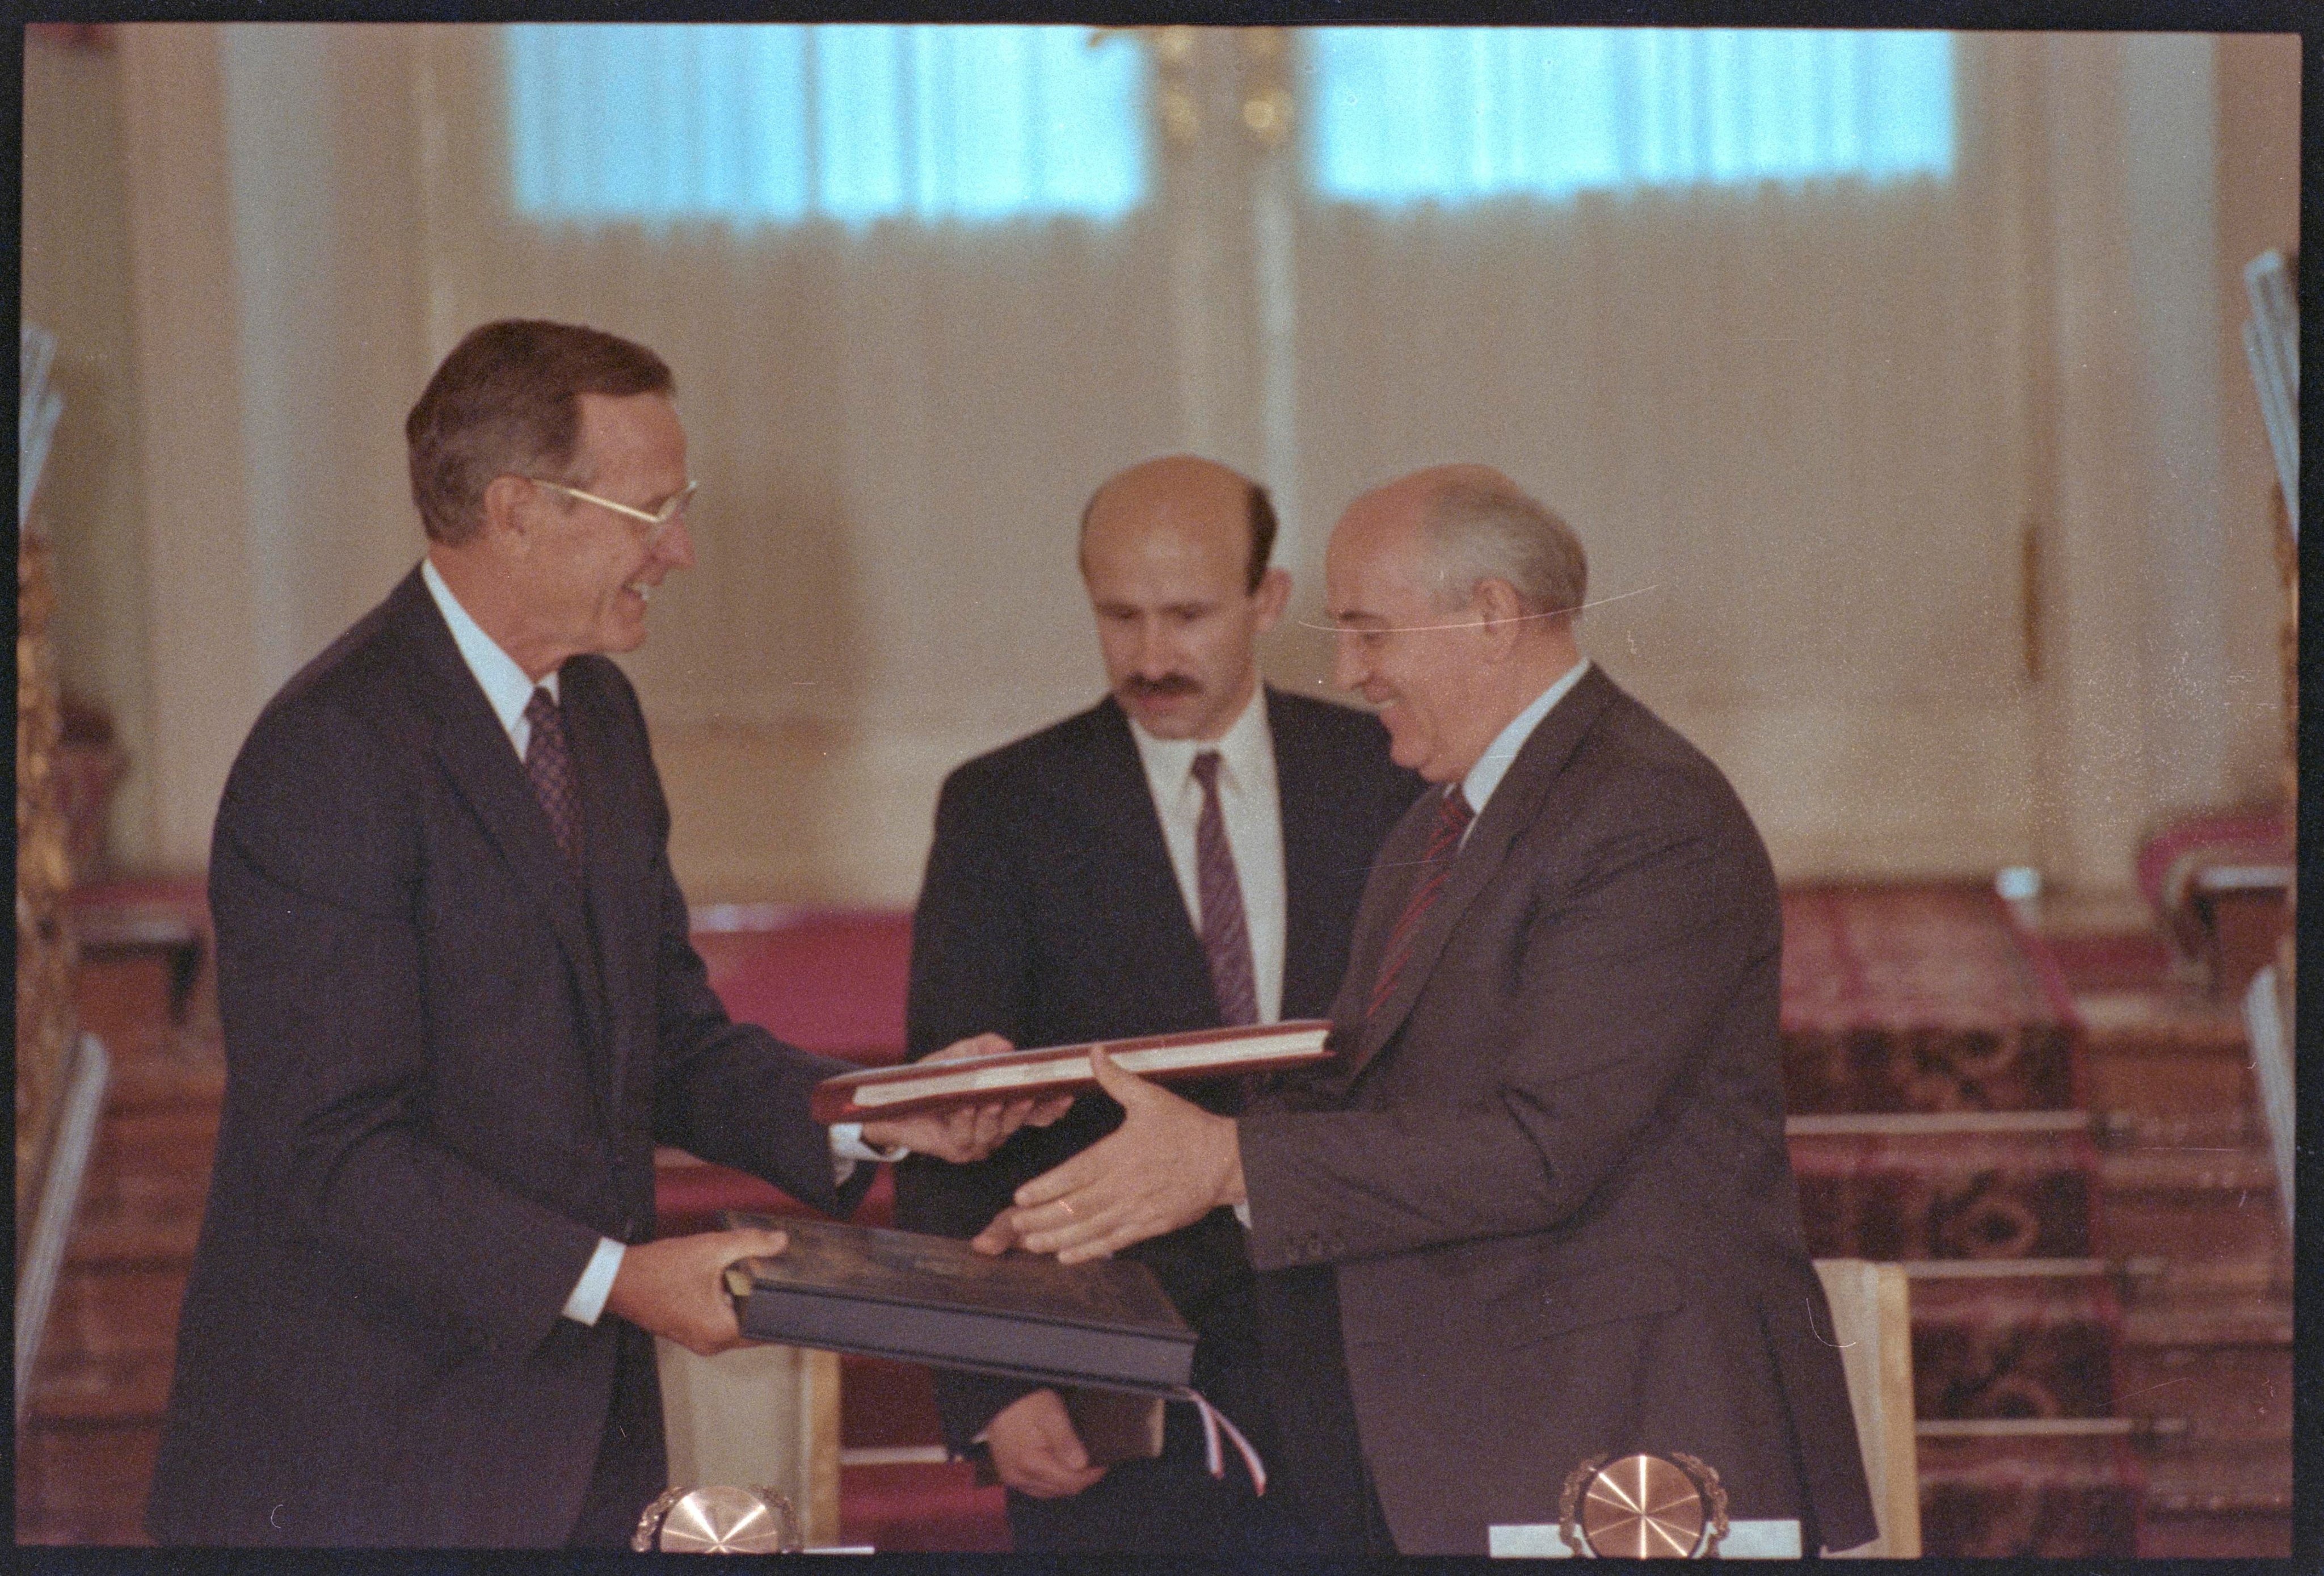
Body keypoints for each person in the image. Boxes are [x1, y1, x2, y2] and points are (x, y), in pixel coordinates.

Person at [146, 320, 1052, 1548]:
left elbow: (665, 1038)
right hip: (370, 1452)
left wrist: (877, 1109)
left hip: (571, 1435)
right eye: (647, 512)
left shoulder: (598, 716)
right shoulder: (333, 753)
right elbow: (334, 1154)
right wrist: (621, 1282)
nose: (678, 552)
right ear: (516, 509)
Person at [976, 466, 1883, 1556]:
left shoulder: (1645, 814)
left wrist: (1227, 1163)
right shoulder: (1439, 823)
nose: (1349, 671)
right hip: (1487, 1429)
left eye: (1370, 633)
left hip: (1631, 1435)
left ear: (1491, 615)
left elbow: (1546, 1146)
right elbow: (1365, 1092)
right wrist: (1105, 1179)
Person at [892, 455, 1422, 1553]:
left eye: (1186, 615)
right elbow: (949, 1118)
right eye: (1119, 616)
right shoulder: (1003, 809)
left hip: (1379, 1373)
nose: (1151, 655)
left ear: (1268, 601)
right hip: (1121, 1399)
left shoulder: (1389, 776)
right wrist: (988, 1384)